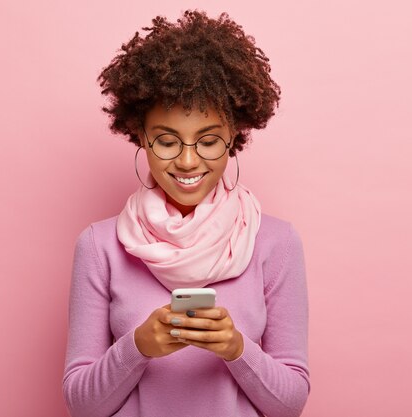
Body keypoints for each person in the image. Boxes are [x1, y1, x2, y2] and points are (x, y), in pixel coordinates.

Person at [62, 10, 310, 417]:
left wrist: (236, 348)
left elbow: (290, 404)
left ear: (234, 138)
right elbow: (81, 405)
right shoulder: (99, 246)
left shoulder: (277, 243)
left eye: (209, 141)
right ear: (141, 135)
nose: (189, 161)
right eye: (167, 141)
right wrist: (138, 347)